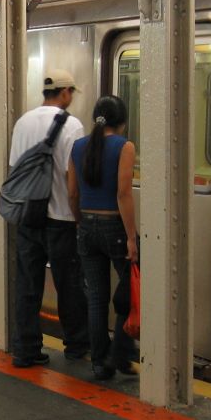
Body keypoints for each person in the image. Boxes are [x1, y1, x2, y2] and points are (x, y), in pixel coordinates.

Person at [8, 69, 89, 367]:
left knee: (27, 285)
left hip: (29, 217)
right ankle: (77, 345)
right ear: (65, 92)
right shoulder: (72, 126)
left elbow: (15, 169)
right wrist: (79, 217)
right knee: (69, 285)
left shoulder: (23, 123)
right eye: (71, 93)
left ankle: (25, 348)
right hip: (61, 219)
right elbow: (72, 181)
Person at [67, 95, 138, 381]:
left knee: (96, 297)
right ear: (122, 122)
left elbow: (72, 193)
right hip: (114, 228)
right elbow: (123, 193)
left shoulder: (78, 147)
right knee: (132, 287)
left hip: (86, 226)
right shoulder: (125, 147)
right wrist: (131, 237)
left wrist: (80, 222)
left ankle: (99, 363)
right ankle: (120, 352)